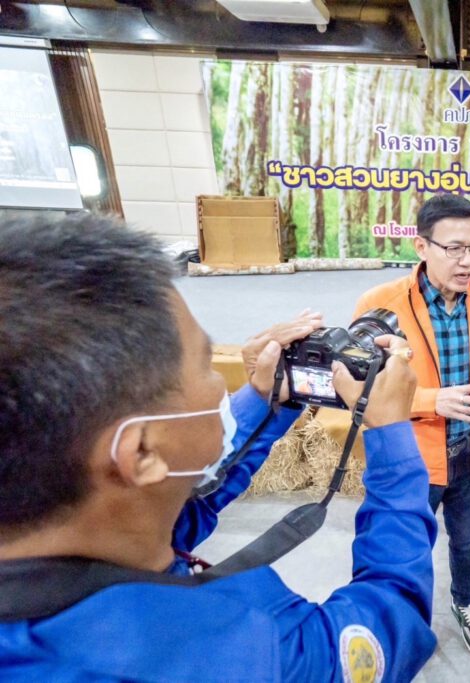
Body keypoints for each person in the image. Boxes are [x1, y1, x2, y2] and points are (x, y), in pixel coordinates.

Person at [0, 214, 437, 682]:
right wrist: (390, 436)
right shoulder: (251, 654)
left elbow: (175, 516)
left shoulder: (70, 535)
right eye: (208, 366)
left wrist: (266, 402)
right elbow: (395, 612)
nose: (221, 389)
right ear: (142, 453)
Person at [354, 193, 470, 656]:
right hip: (411, 462)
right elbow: (359, 385)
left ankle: (466, 602)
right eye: (455, 248)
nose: (468, 261)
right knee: (403, 550)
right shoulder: (381, 305)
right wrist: (430, 401)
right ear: (422, 247)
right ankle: (397, 621)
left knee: (466, 543)